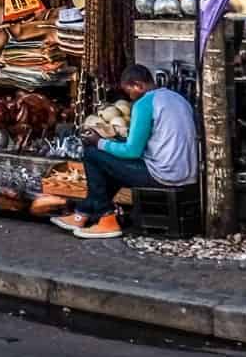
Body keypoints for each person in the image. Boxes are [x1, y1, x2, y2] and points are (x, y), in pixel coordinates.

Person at [52, 64, 198, 239]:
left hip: (163, 175)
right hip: (186, 174)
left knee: (92, 155)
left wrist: (99, 142)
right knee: (109, 166)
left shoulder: (144, 104)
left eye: (129, 91)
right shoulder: (177, 98)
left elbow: (132, 152)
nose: (130, 97)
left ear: (138, 85)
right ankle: (82, 213)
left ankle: (106, 218)